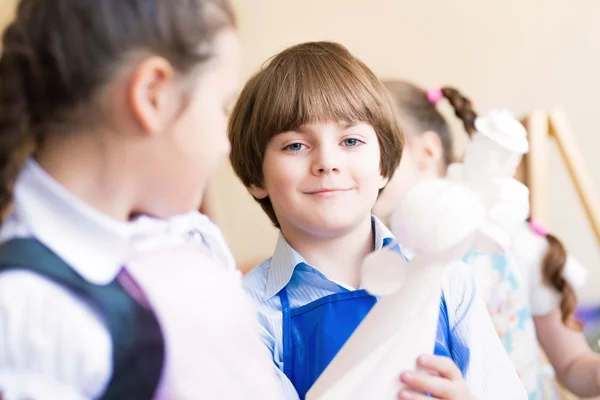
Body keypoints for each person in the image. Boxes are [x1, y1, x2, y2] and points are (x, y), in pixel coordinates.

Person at [0, 1, 281, 399]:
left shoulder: (187, 234)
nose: (225, 144)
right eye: (223, 107)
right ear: (154, 94)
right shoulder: (33, 313)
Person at [228, 41, 526, 400]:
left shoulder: (448, 279)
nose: (327, 162)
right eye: (295, 146)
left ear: (384, 167)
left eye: (350, 141)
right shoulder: (249, 313)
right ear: (255, 178)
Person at [373, 80, 599, 399]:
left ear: (427, 150)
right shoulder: (373, 259)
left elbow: (574, 363)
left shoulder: (510, 244)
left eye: (372, 146)